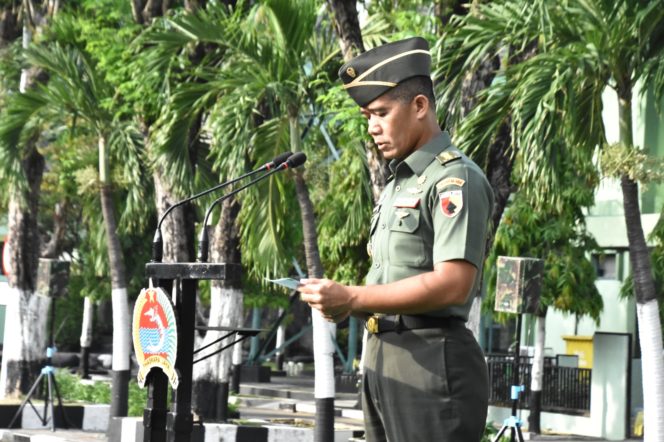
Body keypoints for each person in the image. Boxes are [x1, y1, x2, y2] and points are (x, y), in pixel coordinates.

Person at [298, 36, 494, 442]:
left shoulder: (454, 179)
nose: (372, 127)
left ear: (420, 106)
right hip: (383, 356)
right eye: (368, 116)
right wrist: (341, 304)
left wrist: (353, 297)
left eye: (381, 113)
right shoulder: (398, 185)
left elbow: (454, 284)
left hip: (432, 361)